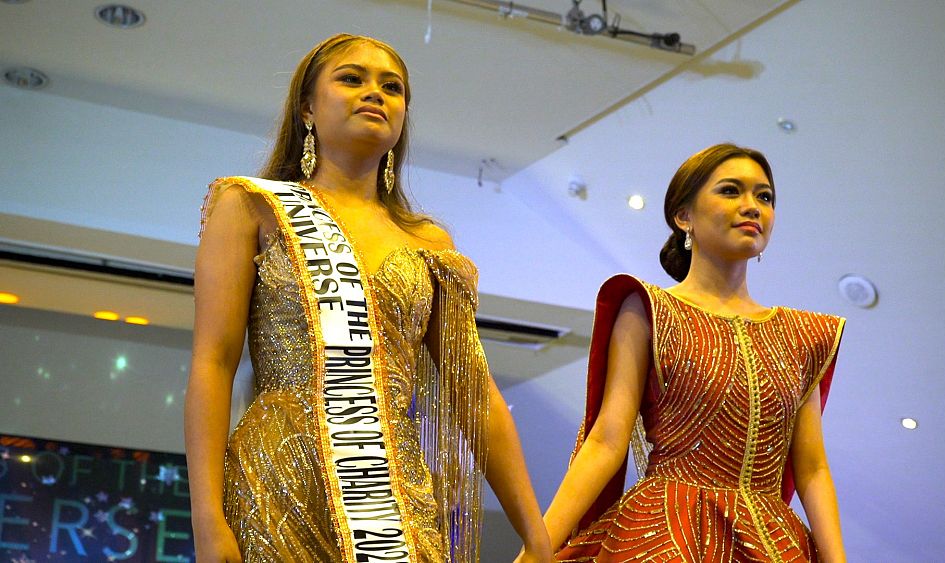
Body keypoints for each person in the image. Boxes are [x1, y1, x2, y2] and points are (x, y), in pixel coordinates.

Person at [185, 33, 550, 562]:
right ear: (307, 107)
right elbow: (213, 362)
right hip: (277, 479)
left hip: (391, 488)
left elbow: (474, 394)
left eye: (392, 87)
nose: (374, 93)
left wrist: (535, 536)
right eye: (352, 79)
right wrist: (207, 519)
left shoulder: (429, 243)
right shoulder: (253, 207)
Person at [542, 144, 847, 562]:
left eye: (764, 196)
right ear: (683, 216)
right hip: (663, 535)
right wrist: (534, 550)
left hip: (771, 543)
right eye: (730, 191)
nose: (752, 207)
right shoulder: (650, 309)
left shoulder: (804, 335)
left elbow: (812, 469)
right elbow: (607, 440)